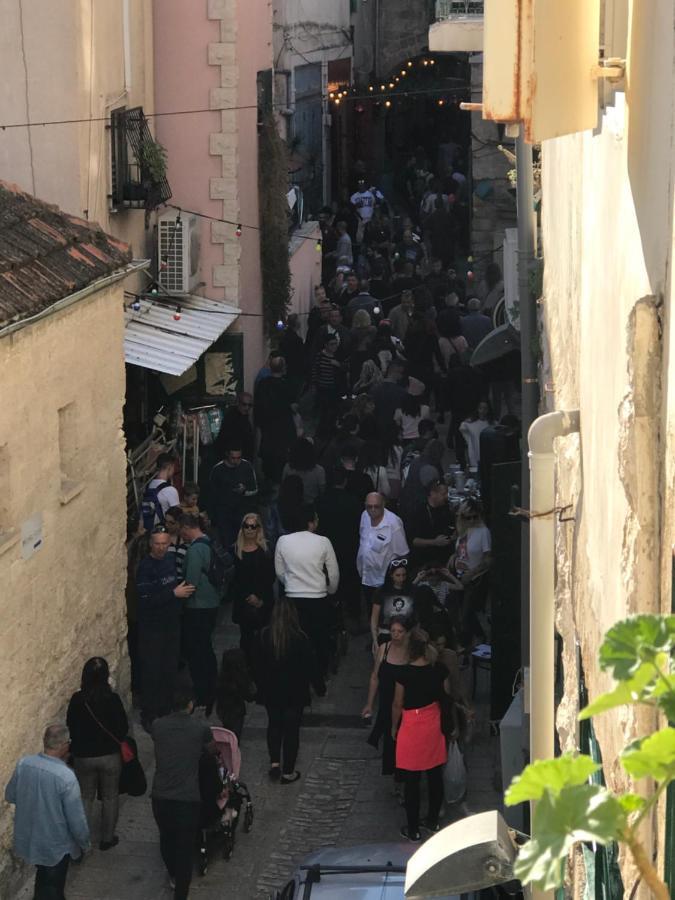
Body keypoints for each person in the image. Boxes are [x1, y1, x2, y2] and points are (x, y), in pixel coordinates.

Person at [5, 724, 90, 898]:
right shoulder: (66, 776)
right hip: (56, 845)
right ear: (65, 745)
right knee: (54, 888)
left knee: (43, 880)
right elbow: (76, 820)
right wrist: (85, 843)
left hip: (30, 838)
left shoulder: (24, 764)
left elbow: (11, 795)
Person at [151, 689, 215, 899]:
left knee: (166, 839)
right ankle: (181, 893)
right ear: (190, 705)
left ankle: (173, 874)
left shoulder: (158, 726)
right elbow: (212, 751)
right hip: (187, 798)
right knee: (185, 850)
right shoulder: (200, 729)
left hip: (161, 795)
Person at [258, 598, 326, 783]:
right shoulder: (300, 638)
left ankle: (274, 762)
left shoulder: (265, 636)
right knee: (291, 731)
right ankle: (288, 771)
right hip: (295, 693)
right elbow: (311, 666)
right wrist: (320, 687)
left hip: (272, 691)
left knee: (274, 725)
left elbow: (258, 665)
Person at [392, 629, 450, 841]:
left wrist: (393, 726)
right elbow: (446, 696)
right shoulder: (439, 670)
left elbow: (398, 703)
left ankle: (413, 827)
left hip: (411, 724)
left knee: (412, 779)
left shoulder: (404, 674)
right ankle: (433, 820)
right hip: (433, 723)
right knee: (435, 775)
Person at [136, 528, 195, 731]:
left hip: (170, 624)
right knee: (152, 671)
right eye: (157, 544)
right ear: (151, 545)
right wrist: (174, 594)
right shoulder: (146, 567)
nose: (161, 547)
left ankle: (165, 709)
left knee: (169, 668)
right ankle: (150, 714)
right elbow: (145, 600)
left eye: (164, 543)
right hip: (152, 627)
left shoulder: (169, 562)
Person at [66, 658, 128, 851]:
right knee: (110, 797)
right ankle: (107, 838)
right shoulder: (113, 699)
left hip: (84, 756)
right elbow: (122, 728)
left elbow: (71, 725)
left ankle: (82, 842)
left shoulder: (78, 700)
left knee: (85, 797)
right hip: (109, 755)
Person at [274, 503, 339, 678]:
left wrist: (290, 583)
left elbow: (280, 572)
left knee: (293, 638)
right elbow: (333, 573)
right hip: (318, 596)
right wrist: (330, 590)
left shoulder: (283, 541)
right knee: (319, 638)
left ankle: (296, 673)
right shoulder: (323, 542)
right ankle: (319, 674)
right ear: (312, 522)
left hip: (293, 597)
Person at [180, 513, 221, 714]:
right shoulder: (209, 543)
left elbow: (191, 583)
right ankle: (211, 687)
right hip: (211, 603)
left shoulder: (196, 550)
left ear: (187, 528)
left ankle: (203, 692)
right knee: (205, 648)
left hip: (198, 607)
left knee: (198, 652)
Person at [363, 616, 411, 778]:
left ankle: (402, 773)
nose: (396, 635)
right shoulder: (384, 649)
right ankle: (394, 775)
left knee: (403, 741)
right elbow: (375, 676)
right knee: (390, 741)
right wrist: (369, 703)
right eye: (393, 631)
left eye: (400, 631)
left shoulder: (411, 652)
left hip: (405, 704)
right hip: (386, 701)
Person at [316, 467, 363, 628]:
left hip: (327, 548)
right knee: (351, 581)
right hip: (349, 547)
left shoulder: (320, 500)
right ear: (345, 481)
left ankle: (332, 615)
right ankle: (354, 614)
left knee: (329, 581)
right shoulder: (353, 501)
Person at [230, 511, 275, 676]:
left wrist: (260, 598)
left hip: (262, 601)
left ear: (258, 529)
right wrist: (247, 597)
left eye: (253, 526)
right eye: (246, 526)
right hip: (243, 602)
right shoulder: (236, 550)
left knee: (263, 638)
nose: (249, 529)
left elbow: (269, 577)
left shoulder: (265, 549)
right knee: (246, 639)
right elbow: (236, 580)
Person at [357, 492, 410, 612]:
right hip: (366, 577)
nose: (372, 510)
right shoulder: (364, 516)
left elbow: (403, 554)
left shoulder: (394, 523)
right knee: (371, 611)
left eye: (376, 506)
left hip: (384, 581)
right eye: (369, 506)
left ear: (383, 505)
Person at [451, 499, 492, 644]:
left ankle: (473, 642)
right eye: (469, 517)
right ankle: (474, 641)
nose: (473, 520)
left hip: (474, 579)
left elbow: (488, 559)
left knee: (466, 615)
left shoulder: (483, 532)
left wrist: (472, 573)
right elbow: (461, 551)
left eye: (475, 516)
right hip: (459, 576)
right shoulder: (462, 530)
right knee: (460, 614)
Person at [254, 355, 297, 484]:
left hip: (268, 427)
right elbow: (293, 406)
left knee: (269, 456)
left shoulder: (263, 384)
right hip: (283, 427)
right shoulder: (287, 385)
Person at [209, 445, 258, 547]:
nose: (236, 461)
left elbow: (255, 489)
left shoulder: (247, 466)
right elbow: (212, 493)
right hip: (224, 513)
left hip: (242, 512)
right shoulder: (218, 469)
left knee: (242, 542)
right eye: (233, 458)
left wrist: (244, 491)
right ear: (227, 455)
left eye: (238, 458)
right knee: (227, 542)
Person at [407, 480, 454, 569]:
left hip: (444, 558)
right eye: (443, 494)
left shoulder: (445, 508)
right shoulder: (418, 511)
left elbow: (452, 528)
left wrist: (451, 538)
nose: (446, 497)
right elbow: (413, 540)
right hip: (423, 560)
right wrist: (435, 542)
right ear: (433, 494)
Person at [370, 559, 416, 650]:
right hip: (386, 634)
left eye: (404, 575)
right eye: (398, 575)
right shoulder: (381, 592)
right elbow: (374, 619)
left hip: (407, 634)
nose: (401, 579)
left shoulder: (412, 590)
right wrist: (375, 641)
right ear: (391, 575)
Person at [215, 648, 257, 741]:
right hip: (237, 711)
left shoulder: (221, 679)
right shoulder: (240, 681)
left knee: (227, 731)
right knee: (235, 736)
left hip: (223, 710)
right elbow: (249, 696)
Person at [142, 453, 180, 529]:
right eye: (173, 467)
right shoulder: (170, 490)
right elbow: (177, 516)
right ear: (170, 467)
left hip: (150, 530)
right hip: (163, 532)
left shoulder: (149, 485)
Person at [213, 393, 255, 463]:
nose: (247, 408)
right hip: (234, 460)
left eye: (250, 405)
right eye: (244, 404)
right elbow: (226, 439)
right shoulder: (231, 418)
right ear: (238, 403)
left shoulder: (244, 417)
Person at [282, 438, 326, 503]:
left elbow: (283, 486)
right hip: (311, 506)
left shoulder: (288, 467)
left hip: (292, 505)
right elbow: (322, 492)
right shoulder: (319, 470)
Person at [372, 359, 407, 432]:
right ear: (396, 372)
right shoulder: (402, 392)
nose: (402, 376)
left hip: (376, 427)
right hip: (394, 428)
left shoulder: (374, 389)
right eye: (401, 373)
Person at [459, 400, 493, 469]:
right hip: (475, 453)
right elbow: (463, 428)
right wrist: (469, 441)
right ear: (477, 409)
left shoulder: (492, 424)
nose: (483, 411)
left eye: (485, 408)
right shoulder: (470, 423)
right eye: (481, 408)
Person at [164, 505, 188, 578]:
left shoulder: (187, 540)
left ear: (179, 523)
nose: (167, 525)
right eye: (166, 521)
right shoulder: (161, 539)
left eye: (171, 523)